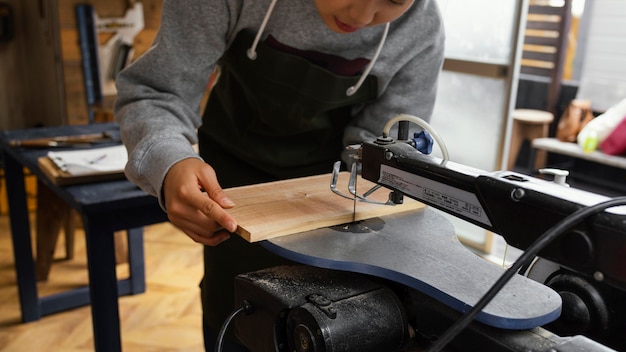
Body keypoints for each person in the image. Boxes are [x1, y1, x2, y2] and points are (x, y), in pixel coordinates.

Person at [114, 0, 445, 350]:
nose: (362, 16)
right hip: (231, 189)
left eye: (393, 0)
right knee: (236, 317)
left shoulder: (419, 27)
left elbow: (382, 148)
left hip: (334, 205)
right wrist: (169, 163)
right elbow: (157, 91)